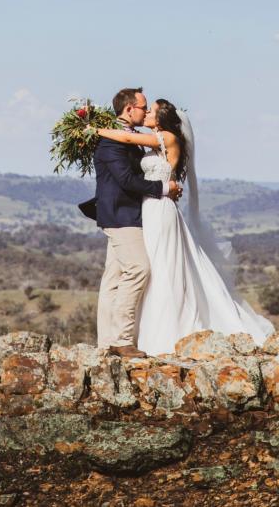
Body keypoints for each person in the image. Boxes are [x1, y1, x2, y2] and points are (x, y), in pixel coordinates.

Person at [97, 98, 274, 356]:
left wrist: (95, 129)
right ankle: (130, 335)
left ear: (160, 118)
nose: (146, 113)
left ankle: (164, 330)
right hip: (147, 209)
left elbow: (125, 140)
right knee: (152, 269)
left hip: (159, 209)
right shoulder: (156, 137)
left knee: (161, 267)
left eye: (151, 111)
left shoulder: (167, 137)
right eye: (144, 108)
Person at [93, 87, 182, 359]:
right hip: (122, 215)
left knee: (115, 277)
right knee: (138, 269)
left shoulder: (137, 137)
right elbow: (127, 181)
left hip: (132, 213)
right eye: (143, 107)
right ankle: (121, 339)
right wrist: (164, 188)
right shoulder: (112, 141)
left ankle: (107, 341)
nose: (145, 113)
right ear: (129, 108)